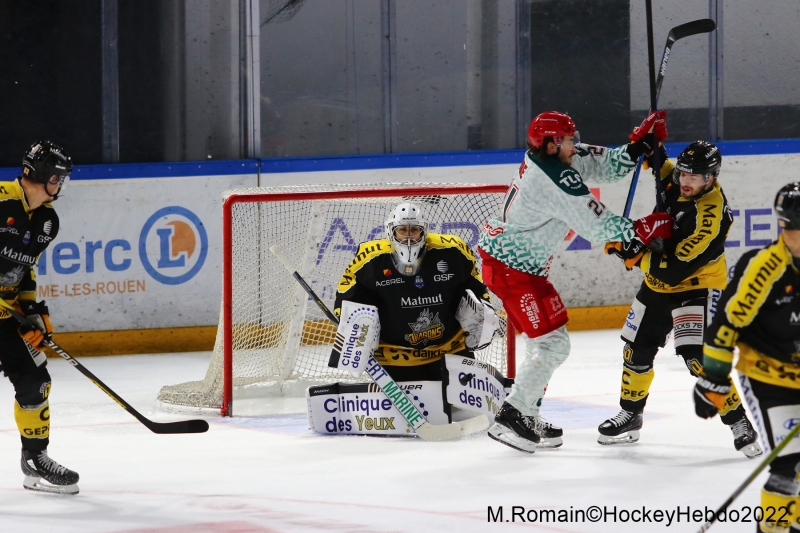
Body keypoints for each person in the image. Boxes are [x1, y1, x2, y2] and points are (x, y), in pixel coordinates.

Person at [477, 110, 674, 453]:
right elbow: (596, 226)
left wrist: (637, 145)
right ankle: (512, 417)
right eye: (570, 140)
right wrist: (639, 229)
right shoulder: (550, 176)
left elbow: (608, 165)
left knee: (546, 345)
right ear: (552, 145)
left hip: (524, 271)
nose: (576, 144)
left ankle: (528, 413)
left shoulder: (560, 157)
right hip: (511, 271)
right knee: (553, 345)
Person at [597, 140, 762, 459]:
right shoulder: (681, 180)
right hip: (657, 285)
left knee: (696, 356)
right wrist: (650, 144)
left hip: (697, 287)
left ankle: (740, 422)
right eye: (684, 173)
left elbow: (673, 270)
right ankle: (630, 415)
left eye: (695, 176)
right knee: (636, 350)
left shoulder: (710, 216)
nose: (685, 180)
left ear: (711, 177)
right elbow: (662, 167)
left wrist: (632, 254)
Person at [695, 182, 800, 532]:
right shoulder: (764, 268)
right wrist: (713, 380)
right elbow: (725, 325)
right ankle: (772, 529)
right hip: (768, 378)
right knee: (789, 469)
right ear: (784, 227)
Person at [333, 202, 503, 383]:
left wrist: (484, 310)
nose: (408, 236)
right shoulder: (370, 258)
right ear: (391, 231)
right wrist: (352, 324)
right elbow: (347, 295)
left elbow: (475, 285)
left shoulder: (453, 251)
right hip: (395, 356)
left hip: (450, 350)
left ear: (424, 231)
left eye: (414, 230)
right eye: (402, 230)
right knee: (402, 410)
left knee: (460, 410)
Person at [0, 141, 77, 494]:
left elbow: (23, 269)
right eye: (57, 178)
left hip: (4, 313)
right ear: (41, 175)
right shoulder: (1, 199)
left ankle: (35, 459)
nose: (60, 185)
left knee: (35, 381)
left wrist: (31, 309)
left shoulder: (47, 220)